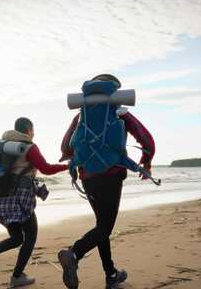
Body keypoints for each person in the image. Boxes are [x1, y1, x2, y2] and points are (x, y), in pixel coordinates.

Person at [57, 74, 155, 289]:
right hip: (112, 176)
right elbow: (146, 139)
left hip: (87, 178)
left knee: (101, 226)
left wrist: (77, 159)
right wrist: (146, 162)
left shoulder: (81, 115)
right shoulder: (118, 111)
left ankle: (110, 275)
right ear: (114, 92)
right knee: (104, 227)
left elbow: (65, 147)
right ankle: (74, 253)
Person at [0, 117, 69, 288]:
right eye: (33, 130)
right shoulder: (29, 147)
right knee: (31, 236)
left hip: (3, 199)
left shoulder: (3, 146)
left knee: (17, 237)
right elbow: (46, 168)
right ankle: (16, 276)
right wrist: (67, 166)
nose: (34, 134)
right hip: (20, 200)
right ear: (27, 129)